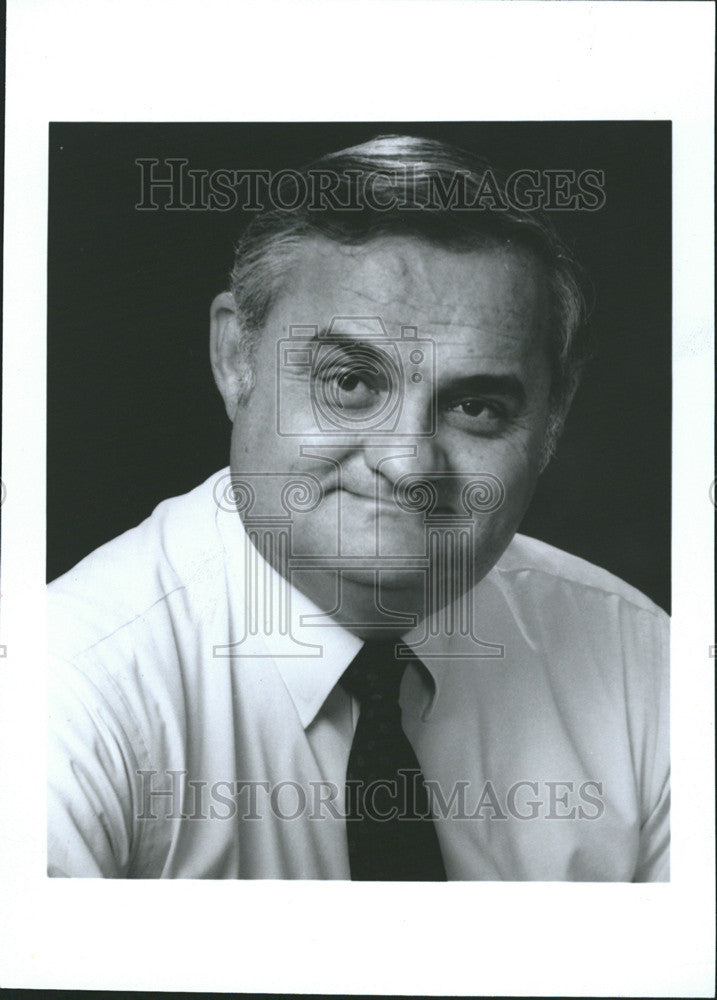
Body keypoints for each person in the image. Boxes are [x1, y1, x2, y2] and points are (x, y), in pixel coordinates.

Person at [47, 135, 669, 880]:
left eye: (475, 405)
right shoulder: (61, 693)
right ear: (235, 360)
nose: (407, 463)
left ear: (554, 415)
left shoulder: (643, 663)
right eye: (349, 385)